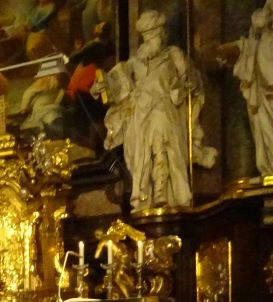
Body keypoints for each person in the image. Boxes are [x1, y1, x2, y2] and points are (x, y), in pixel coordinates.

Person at [95, 10, 216, 211]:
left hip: (163, 108)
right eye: (148, 35)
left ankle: (162, 191)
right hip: (140, 113)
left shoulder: (174, 55)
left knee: (163, 145)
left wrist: (187, 83)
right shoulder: (134, 63)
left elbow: (191, 79)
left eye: (155, 33)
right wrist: (101, 86)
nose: (152, 38)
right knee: (142, 156)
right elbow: (116, 85)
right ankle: (146, 194)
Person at [220, 3, 273, 175]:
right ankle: (269, 168)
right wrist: (230, 52)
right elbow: (246, 47)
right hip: (263, 95)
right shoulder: (258, 42)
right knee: (263, 128)